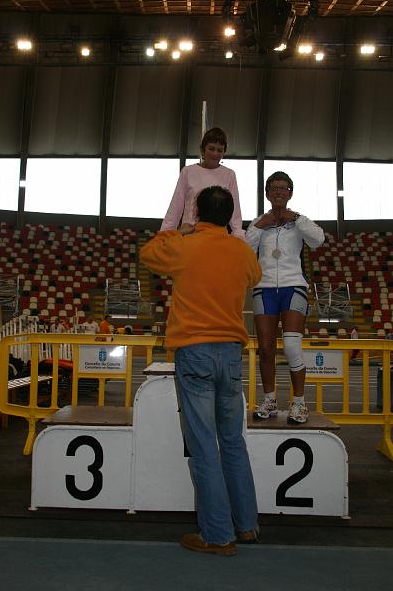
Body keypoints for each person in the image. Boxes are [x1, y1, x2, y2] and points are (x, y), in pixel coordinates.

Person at [141, 186, 262, 557]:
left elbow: (148, 254)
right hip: (230, 354)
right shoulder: (242, 251)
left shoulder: (183, 245)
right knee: (233, 443)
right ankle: (247, 525)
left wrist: (179, 227)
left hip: (194, 352)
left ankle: (217, 535)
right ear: (229, 215)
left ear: (196, 212)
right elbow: (254, 277)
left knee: (204, 447)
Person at [246, 171, 324, 424]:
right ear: (267, 193)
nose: (279, 192)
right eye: (274, 188)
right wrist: (261, 225)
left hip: (294, 287)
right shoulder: (258, 222)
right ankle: (269, 400)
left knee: (291, 346)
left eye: (284, 188)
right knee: (266, 349)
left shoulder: (299, 220)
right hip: (264, 288)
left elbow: (318, 240)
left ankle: (299, 403)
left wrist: (297, 219)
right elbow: (246, 250)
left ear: (290, 193)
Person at [160, 127, 244, 238]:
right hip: (190, 233)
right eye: (211, 148)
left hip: (218, 235)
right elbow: (176, 206)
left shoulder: (229, 175)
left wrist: (239, 237)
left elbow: (235, 212)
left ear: (224, 152)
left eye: (220, 150)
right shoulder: (188, 172)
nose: (215, 154)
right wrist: (164, 235)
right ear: (202, 149)